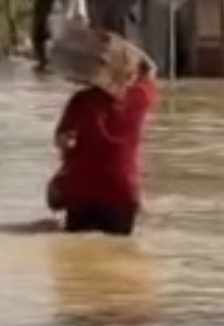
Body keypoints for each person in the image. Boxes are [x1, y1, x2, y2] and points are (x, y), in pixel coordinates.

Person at [48, 40, 158, 236]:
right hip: (123, 193)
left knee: (76, 250)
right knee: (119, 250)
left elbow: (61, 140)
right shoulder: (139, 98)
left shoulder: (81, 101)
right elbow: (151, 68)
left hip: (82, 191)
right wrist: (122, 45)